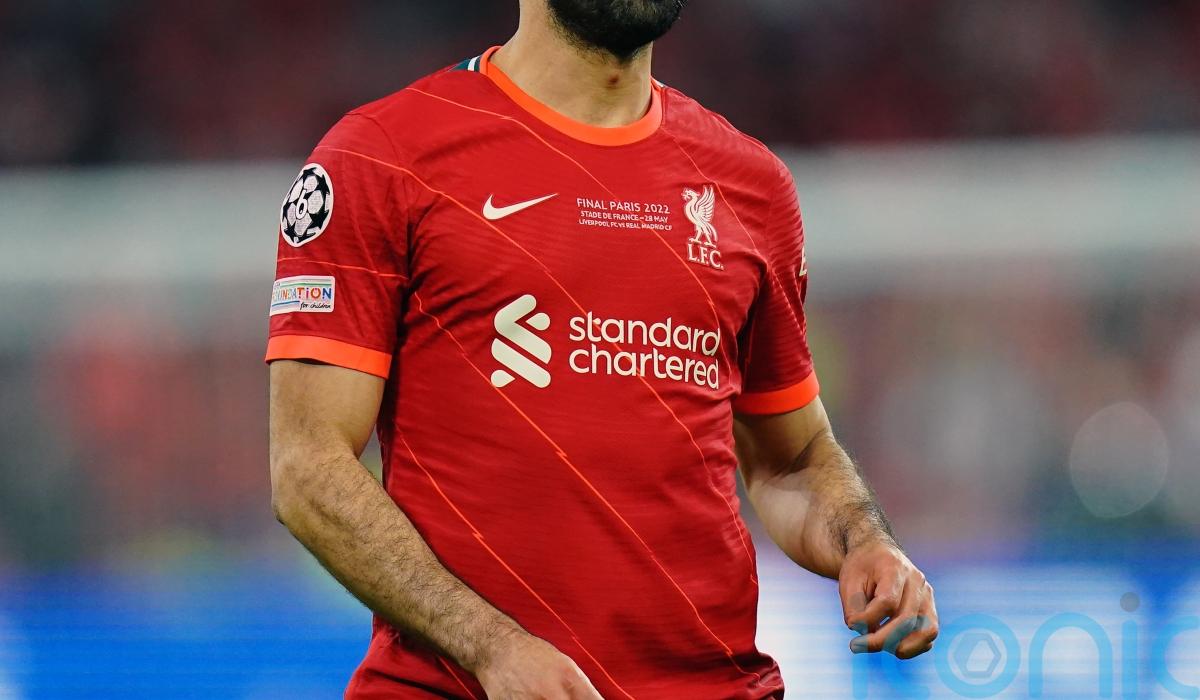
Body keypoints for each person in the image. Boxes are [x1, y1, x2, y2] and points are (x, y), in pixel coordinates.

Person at [266, 1, 938, 697]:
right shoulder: (383, 155)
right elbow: (308, 468)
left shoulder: (750, 185)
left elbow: (791, 460)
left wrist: (864, 541)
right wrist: (491, 648)